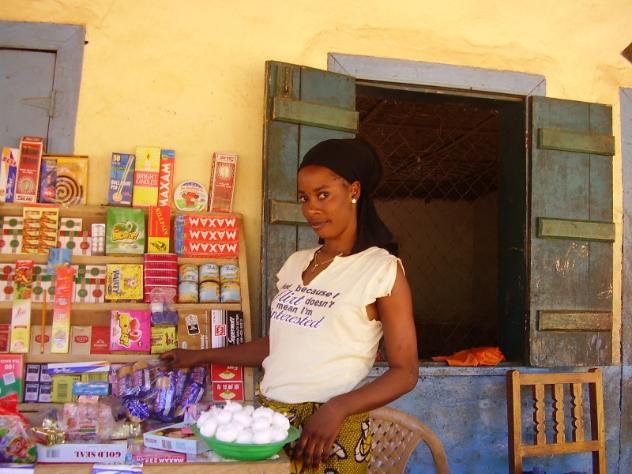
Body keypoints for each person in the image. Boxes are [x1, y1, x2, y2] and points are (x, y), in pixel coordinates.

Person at [161, 137, 419, 473]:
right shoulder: (296, 263)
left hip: (329, 433)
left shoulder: (381, 269)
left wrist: (337, 408)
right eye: (304, 197)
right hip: (270, 424)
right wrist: (198, 356)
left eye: (323, 195)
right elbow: (280, 344)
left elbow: (405, 372)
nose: (311, 208)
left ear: (354, 190)